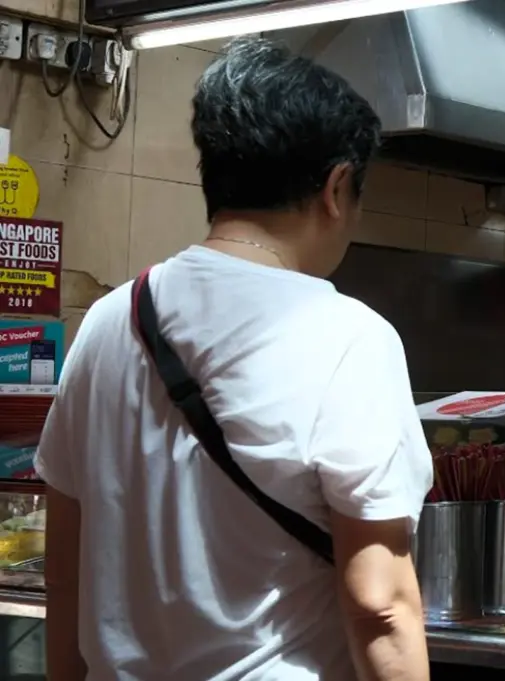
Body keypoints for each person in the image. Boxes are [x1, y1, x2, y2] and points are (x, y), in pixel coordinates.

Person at [35, 37, 433, 681]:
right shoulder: (350, 337)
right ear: (336, 188)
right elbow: (379, 606)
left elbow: (64, 576)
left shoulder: (109, 321)